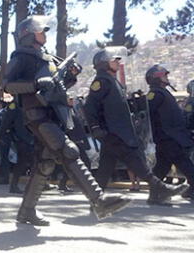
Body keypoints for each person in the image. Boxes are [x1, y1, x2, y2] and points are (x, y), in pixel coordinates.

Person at [3, 17, 131, 226]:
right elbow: (7, 86)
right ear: (27, 34)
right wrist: (34, 84)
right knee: (68, 150)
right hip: (36, 114)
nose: (44, 33)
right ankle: (99, 200)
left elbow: (57, 87)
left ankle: (26, 211)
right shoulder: (21, 57)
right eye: (39, 31)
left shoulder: (48, 58)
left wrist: (71, 76)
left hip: (54, 113)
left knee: (45, 163)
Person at [83, 48, 189, 205]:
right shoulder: (102, 82)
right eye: (114, 60)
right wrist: (95, 127)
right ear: (104, 64)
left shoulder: (112, 82)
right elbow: (90, 107)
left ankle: (95, 201)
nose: (118, 62)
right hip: (114, 133)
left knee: (105, 170)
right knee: (135, 162)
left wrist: (136, 102)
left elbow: (119, 107)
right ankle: (159, 187)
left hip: (117, 132)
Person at [145, 65, 194, 201]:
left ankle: (155, 194)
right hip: (169, 137)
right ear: (155, 79)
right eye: (163, 76)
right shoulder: (155, 94)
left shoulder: (162, 92)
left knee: (161, 167)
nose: (166, 78)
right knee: (185, 164)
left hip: (171, 137)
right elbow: (148, 112)